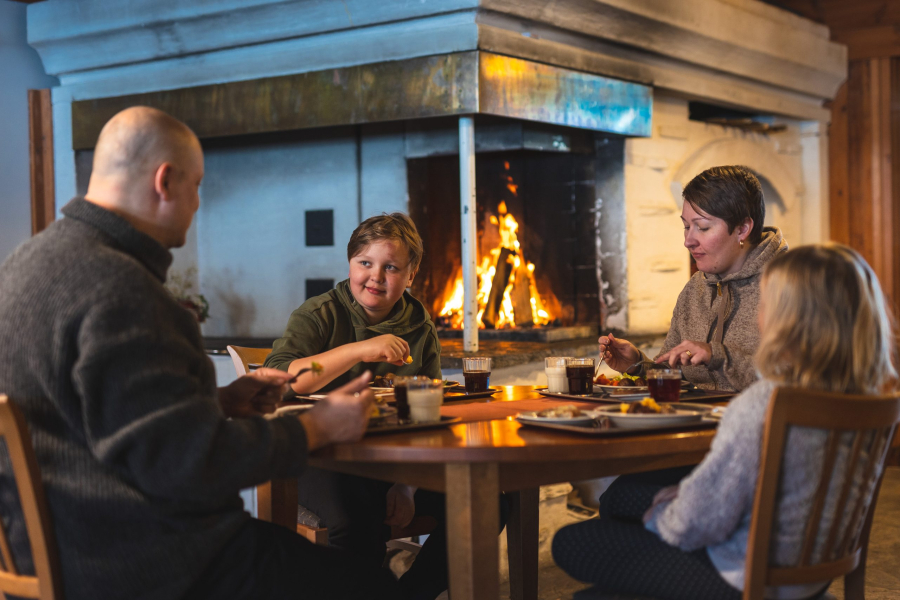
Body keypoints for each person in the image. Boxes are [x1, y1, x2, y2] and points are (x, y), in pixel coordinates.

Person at [0, 106, 399, 600]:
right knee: (376, 587)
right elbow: (191, 466)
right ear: (164, 181)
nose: (197, 203)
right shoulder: (124, 292)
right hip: (149, 567)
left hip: (53, 555)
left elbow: (99, 420)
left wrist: (220, 403)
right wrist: (316, 427)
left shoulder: (23, 266)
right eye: (197, 185)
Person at [553, 243, 897, 600]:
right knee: (620, 503)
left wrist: (662, 515)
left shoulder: (765, 405)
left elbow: (696, 523)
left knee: (572, 543)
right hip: (812, 572)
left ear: (787, 319)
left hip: (744, 573)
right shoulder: (871, 400)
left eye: (765, 304)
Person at [265, 214, 479, 600]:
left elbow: (428, 410)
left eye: (391, 267)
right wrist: (359, 349)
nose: (376, 276)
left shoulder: (418, 326)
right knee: (358, 520)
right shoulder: (319, 315)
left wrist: (408, 484)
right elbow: (284, 378)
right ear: (350, 264)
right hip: (320, 456)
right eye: (365, 263)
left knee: (486, 500)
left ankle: (410, 594)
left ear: (410, 275)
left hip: (390, 458)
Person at [600, 165, 788, 392]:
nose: (688, 241)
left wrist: (717, 356)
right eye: (686, 226)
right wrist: (637, 365)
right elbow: (675, 374)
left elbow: (795, 381)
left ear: (742, 229)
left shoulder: (789, 285)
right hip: (693, 420)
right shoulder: (696, 287)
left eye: (702, 227)